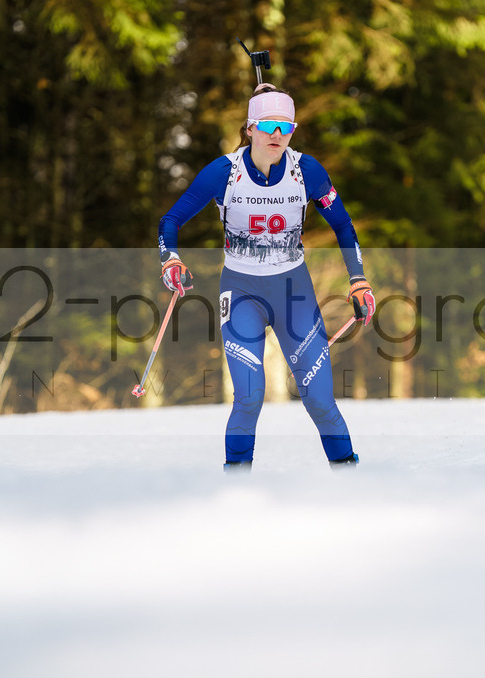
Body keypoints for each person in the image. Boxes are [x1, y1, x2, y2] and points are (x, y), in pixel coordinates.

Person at [156, 84, 375, 471]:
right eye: (269, 125)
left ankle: (349, 479)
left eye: (286, 126)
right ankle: (237, 490)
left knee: (320, 399)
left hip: (294, 292)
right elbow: (170, 220)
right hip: (241, 292)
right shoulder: (224, 172)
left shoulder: (307, 170)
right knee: (249, 397)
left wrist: (358, 279)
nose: (277, 135)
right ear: (250, 128)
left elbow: (343, 225)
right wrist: (170, 259)